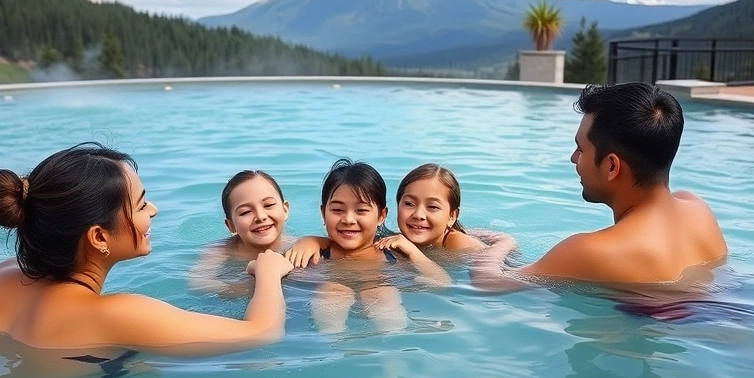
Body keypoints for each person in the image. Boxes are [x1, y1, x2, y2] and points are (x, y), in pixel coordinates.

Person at [0, 142, 294, 360]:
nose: (154, 210)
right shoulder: (117, 314)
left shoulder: (3, 273)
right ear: (99, 237)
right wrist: (268, 274)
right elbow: (262, 332)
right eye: (141, 205)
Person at [471, 82, 728, 291]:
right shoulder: (698, 210)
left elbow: (489, 283)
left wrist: (501, 243)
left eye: (580, 149)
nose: (573, 158)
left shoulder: (591, 251)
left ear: (612, 166)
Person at [285, 159, 450, 333]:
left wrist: (412, 250)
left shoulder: (395, 254)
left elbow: (441, 283)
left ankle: (391, 356)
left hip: (386, 311)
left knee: (382, 292)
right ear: (323, 213)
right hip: (327, 315)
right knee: (333, 291)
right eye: (337, 210)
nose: (348, 219)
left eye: (361, 210)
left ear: (382, 215)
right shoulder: (311, 255)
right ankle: (334, 342)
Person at [189, 170, 294, 298]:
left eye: (269, 205)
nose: (260, 217)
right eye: (245, 212)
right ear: (231, 225)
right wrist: (259, 285)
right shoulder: (221, 251)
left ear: (285, 210)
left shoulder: (298, 247)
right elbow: (198, 284)